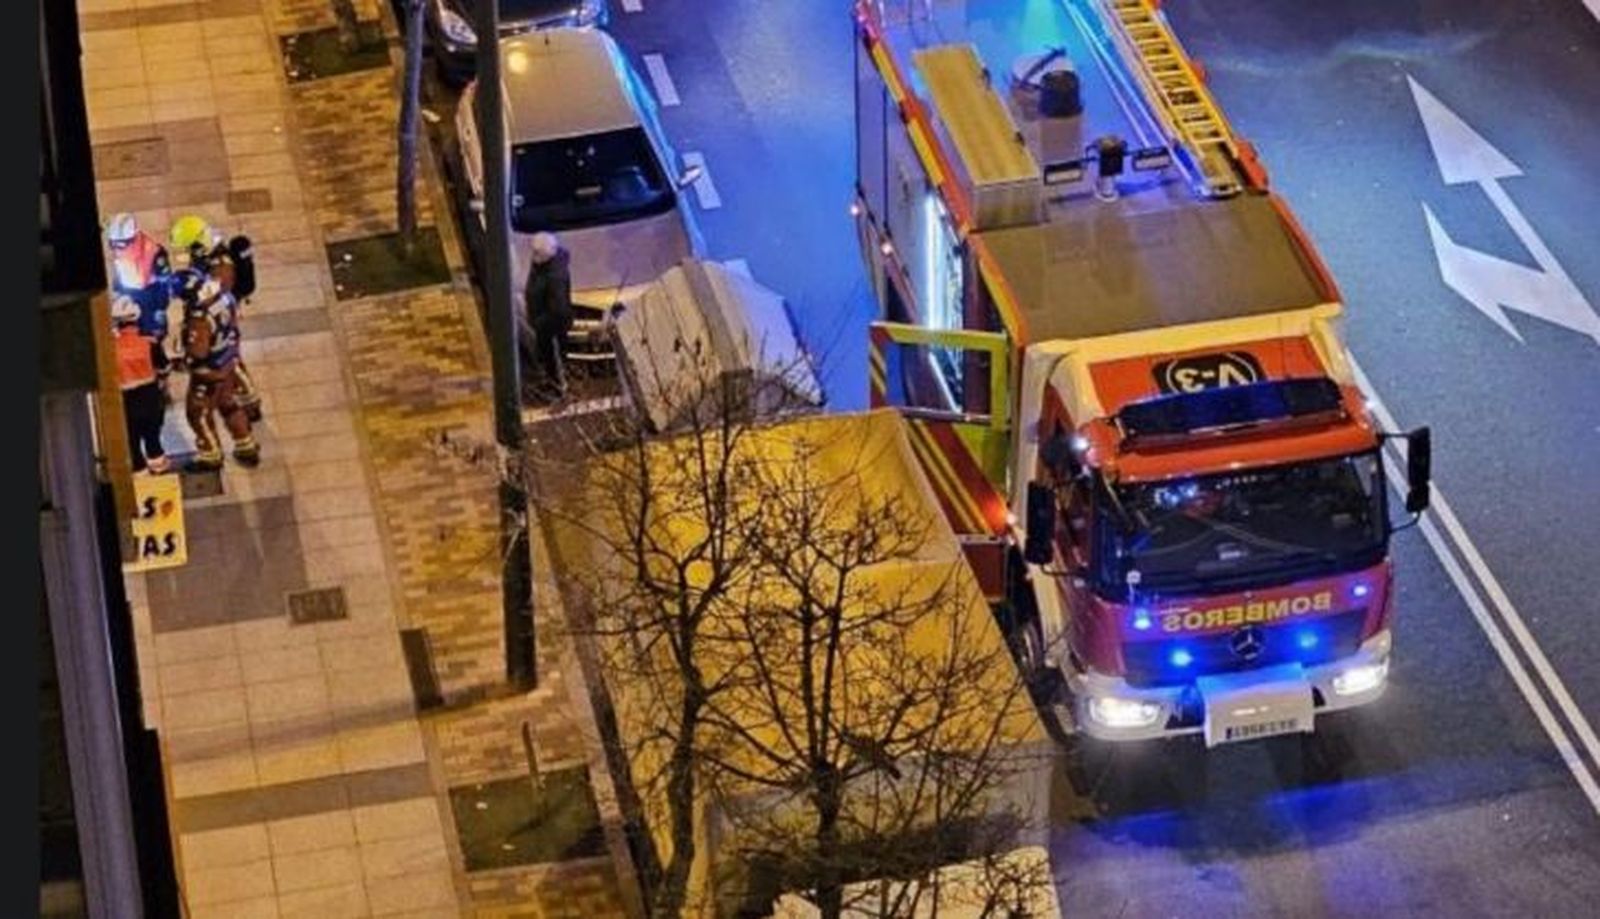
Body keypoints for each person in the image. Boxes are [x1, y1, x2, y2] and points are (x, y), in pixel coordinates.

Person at [170, 215, 264, 423]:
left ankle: (251, 403)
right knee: (231, 359)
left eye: (188, 247)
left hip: (222, 320)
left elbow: (213, 296)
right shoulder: (208, 254)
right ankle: (249, 400)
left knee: (232, 359)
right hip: (221, 318)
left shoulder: (221, 264)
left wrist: (196, 306)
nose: (186, 253)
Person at [178, 258, 259, 470]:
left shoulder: (199, 316)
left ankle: (210, 455)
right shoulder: (224, 298)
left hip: (208, 372)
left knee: (198, 413)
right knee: (228, 404)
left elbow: (198, 351)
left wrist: (185, 358)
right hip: (227, 363)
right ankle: (246, 446)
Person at [111, 296, 172, 475]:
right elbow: (165, 368)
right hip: (150, 399)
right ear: (136, 318)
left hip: (125, 403)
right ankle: (160, 475)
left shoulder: (110, 346)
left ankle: (140, 478)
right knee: (153, 440)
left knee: (132, 443)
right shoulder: (149, 343)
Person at [105, 213, 174, 344]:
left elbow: (165, 284)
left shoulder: (154, 252)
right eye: (113, 244)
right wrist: (118, 294)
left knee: (152, 343)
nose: (117, 248)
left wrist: (159, 309)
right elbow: (120, 274)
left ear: (133, 237)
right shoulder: (122, 251)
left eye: (121, 244)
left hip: (150, 300)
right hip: (129, 299)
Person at [521, 231, 574, 401]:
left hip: (551, 326)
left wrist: (540, 323)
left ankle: (560, 389)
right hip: (544, 322)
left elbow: (558, 309)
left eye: (537, 252)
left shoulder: (554, 276)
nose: (534, 256)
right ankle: (553, 383)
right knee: (547, 356)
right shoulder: (544, 266)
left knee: (554, 357)